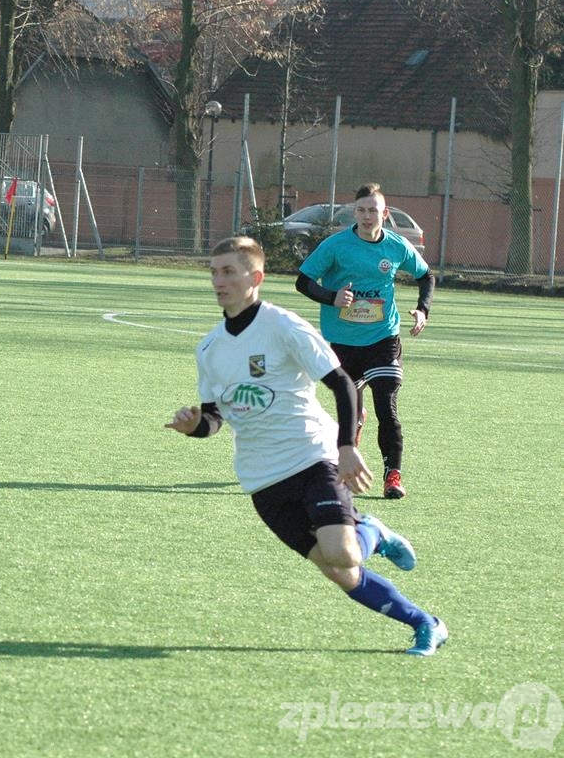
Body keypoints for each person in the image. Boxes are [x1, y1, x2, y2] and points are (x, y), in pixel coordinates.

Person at [167, 236, 447, 656]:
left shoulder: (283, 326)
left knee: (343, 553)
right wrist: (194, 427)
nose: (218, 281)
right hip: (262, 481)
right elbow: (215, 418)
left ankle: (373, 531)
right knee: (339, 572)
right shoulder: (209, 348)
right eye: (214, 273)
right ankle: (425, 623)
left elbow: (342, 384)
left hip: (313, 457)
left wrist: (347, 447)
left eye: (228, 272)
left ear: (255, 278)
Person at [295, 183, 433, 499]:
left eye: (373, 210)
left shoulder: (397, 246)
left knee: (387, 407)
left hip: (383, 338)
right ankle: (354, 427)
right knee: (350, 412)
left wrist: (422, 310)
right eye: (361, 210)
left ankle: (392, 475)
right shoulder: (335, 246)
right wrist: (332, 297)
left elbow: (426, 276)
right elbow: (303, 281)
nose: (367, 216)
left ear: (384, 214)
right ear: (354, 213)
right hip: (342, 342)